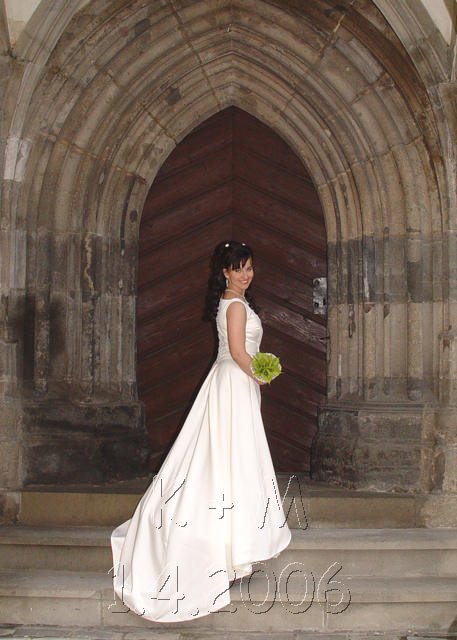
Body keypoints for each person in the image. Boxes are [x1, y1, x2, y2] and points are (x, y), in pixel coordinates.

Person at [110, 240, 291, 623]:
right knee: (230, 461)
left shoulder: (232, 302)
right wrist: (261, 374)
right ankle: (227, 549)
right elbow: (239, 352)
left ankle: (232, 548)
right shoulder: (236, 305)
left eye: (249, 268)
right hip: (234, 382)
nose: (246, 275)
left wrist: (255, 375)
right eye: (238, 269)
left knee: (224, 460)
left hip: (232, 383)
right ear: (224, 272)